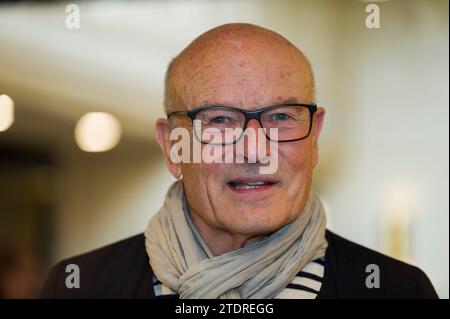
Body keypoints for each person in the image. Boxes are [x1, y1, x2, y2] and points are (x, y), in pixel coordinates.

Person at [39, 23, 438, 299]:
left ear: (314, 138)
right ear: (173, 147)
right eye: (220, 120)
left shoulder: (397, 289)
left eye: (281, 117)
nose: (254, 150)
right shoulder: (81, 286)